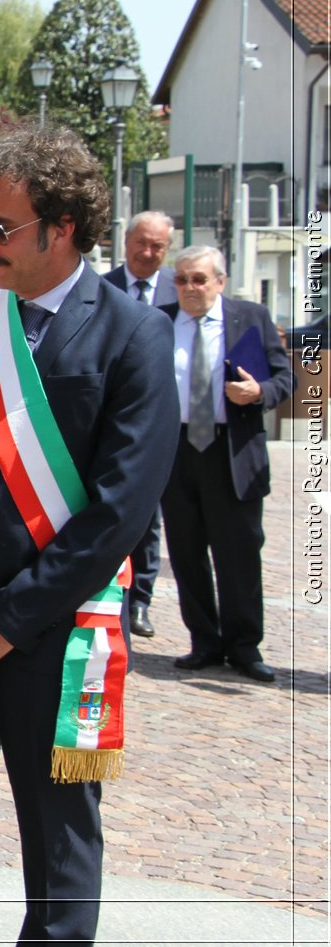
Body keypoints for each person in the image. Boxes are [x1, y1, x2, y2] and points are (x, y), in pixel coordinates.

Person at [0, 126, 178, 943]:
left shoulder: (131, 334)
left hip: (53, 628)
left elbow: (119, 509)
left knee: (58, 835)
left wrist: (8, 621)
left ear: (62, 228)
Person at [162, 245, 294, 683]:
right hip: (177, 451)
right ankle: (204, 641)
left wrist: (260, 393)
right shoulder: (160, 322)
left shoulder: (248, 318)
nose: (189, 288)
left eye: (199, 279)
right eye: (181, 279)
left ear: (220, 281)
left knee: (237, 553)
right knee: (186, 552)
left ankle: (243, 646)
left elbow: (284, 377)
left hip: (231, 451)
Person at [104, 210, 179, 637]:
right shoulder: (102, 288)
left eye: (158, 247)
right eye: (142, 243)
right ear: (127, 241)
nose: (148, 253)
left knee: (149, 519)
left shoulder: (178, 289)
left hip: (162, 418)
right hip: (116, 414)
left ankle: (141, 602)